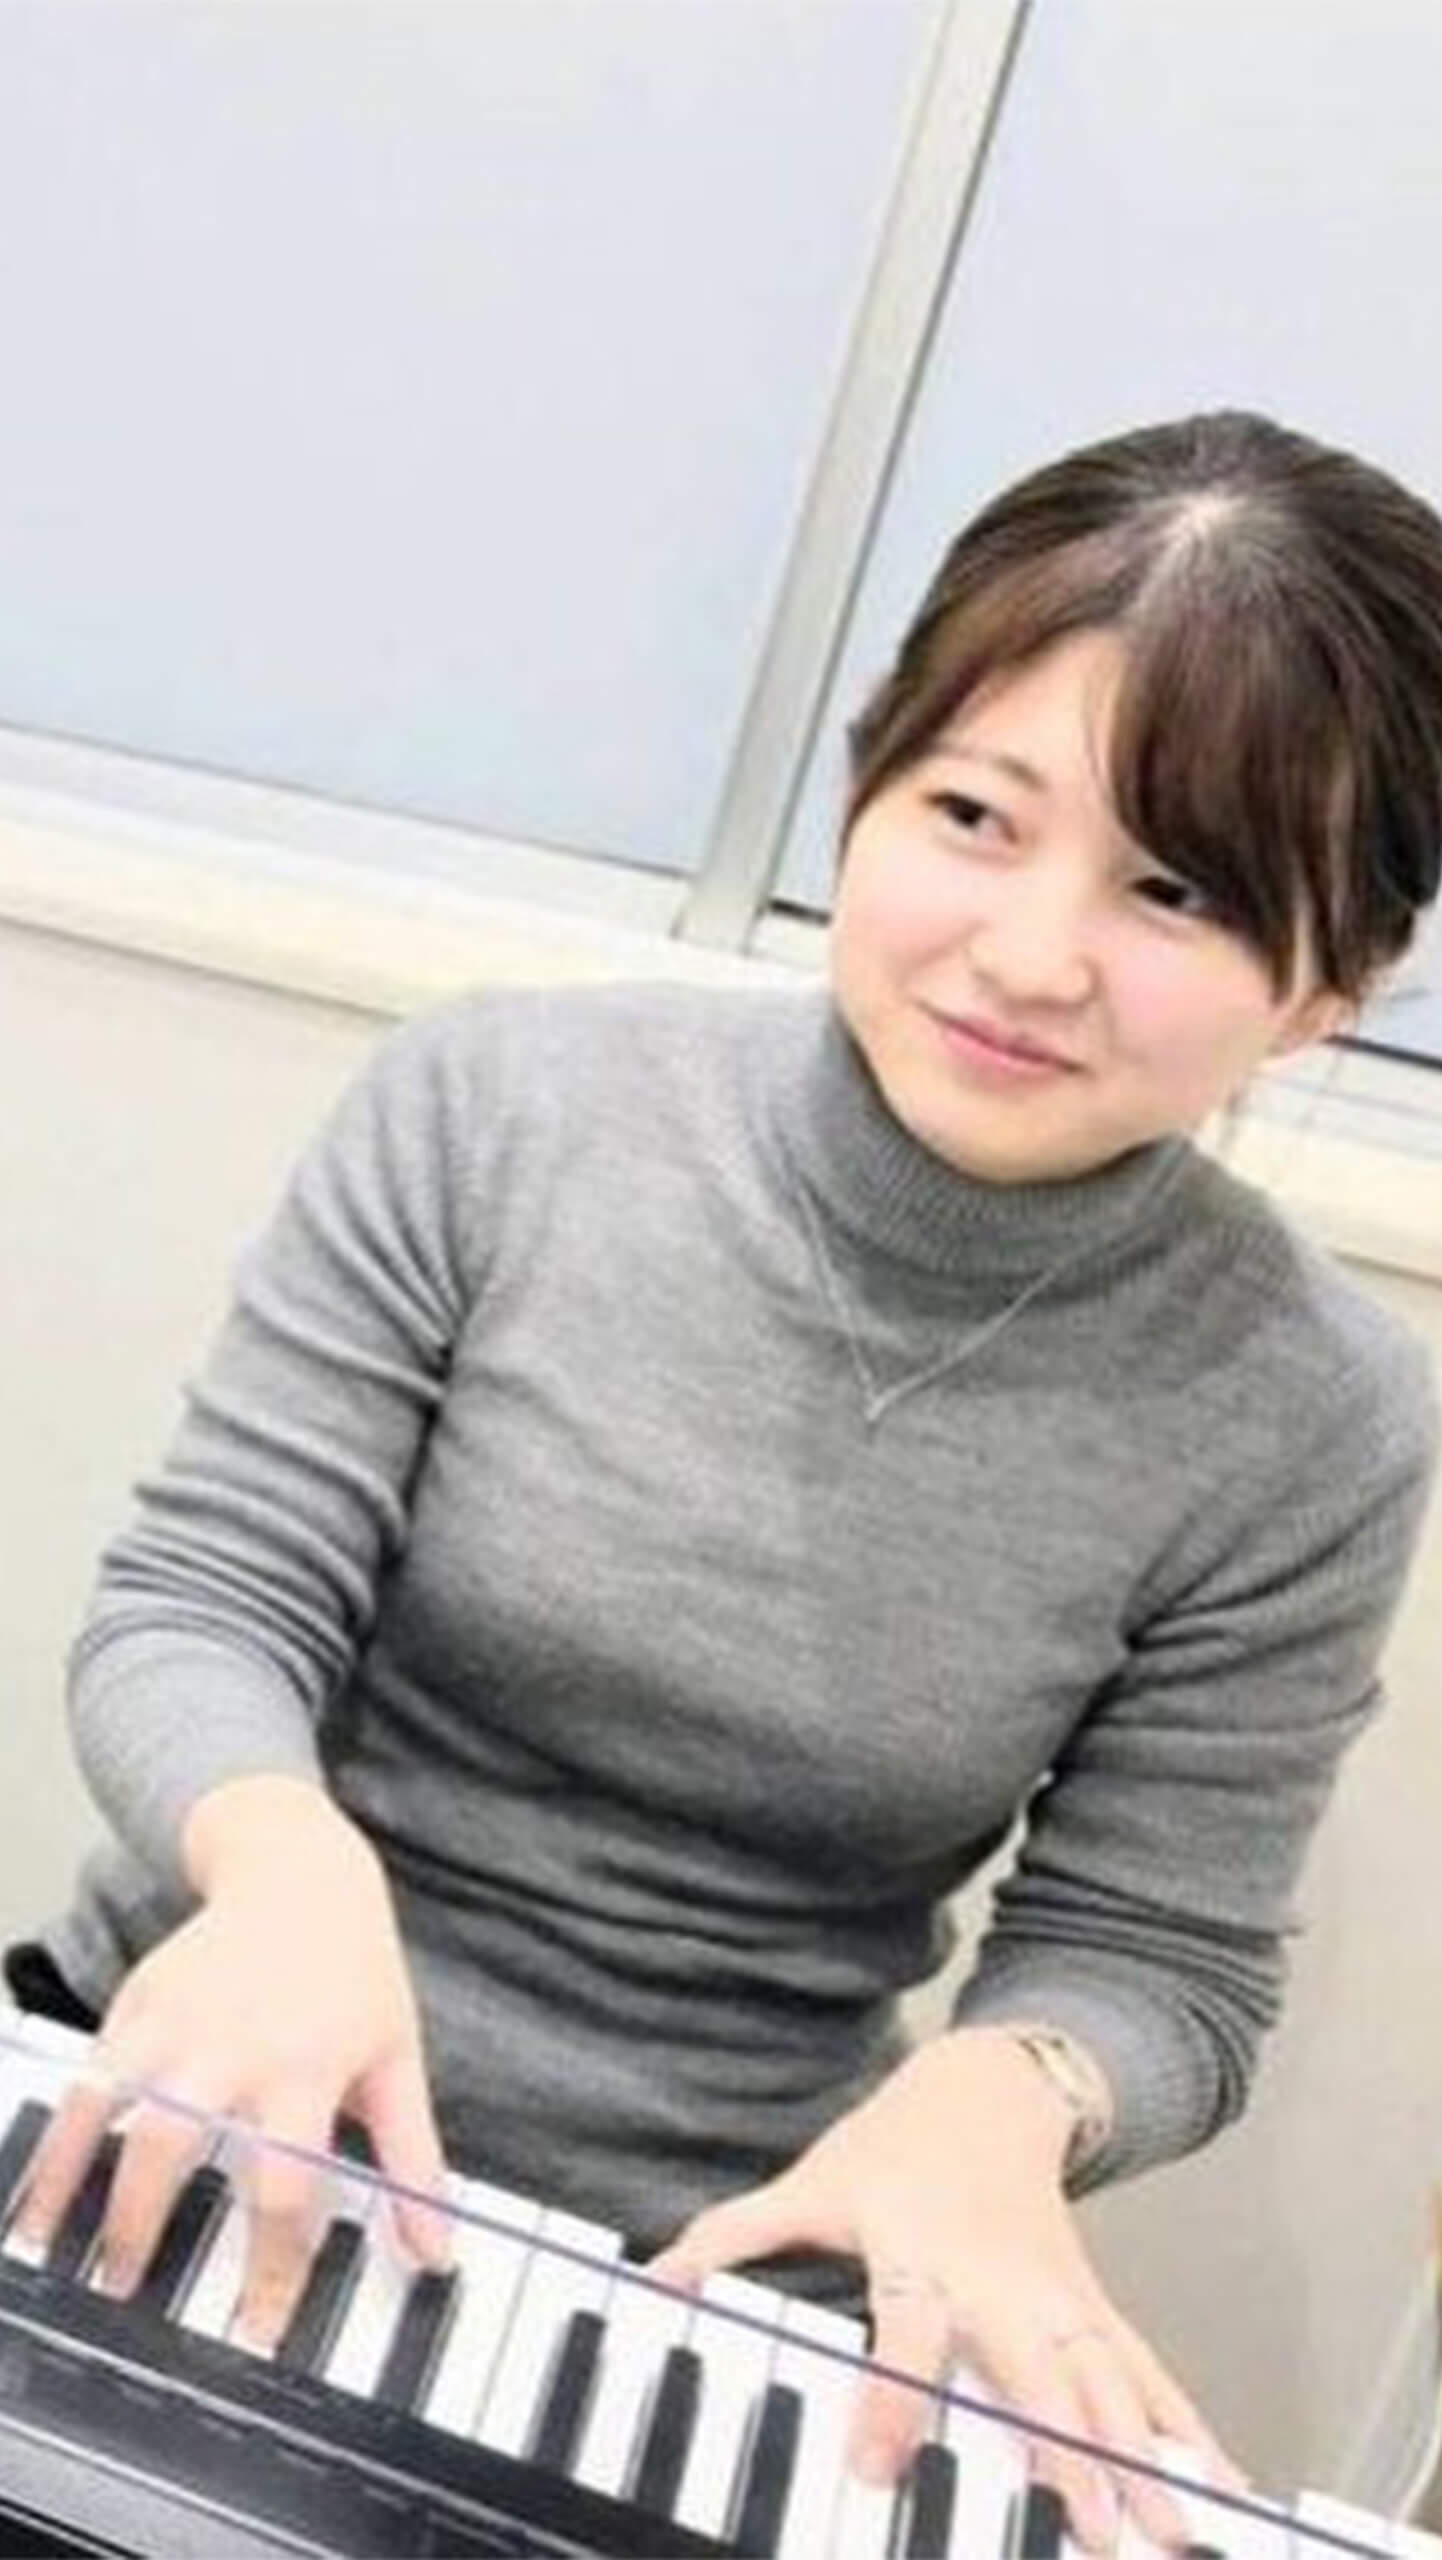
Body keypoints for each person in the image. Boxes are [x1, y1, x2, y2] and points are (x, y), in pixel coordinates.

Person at [10, 408, 1442, 2549]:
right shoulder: (499, 1107)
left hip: (692, 2271)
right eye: (974, 815)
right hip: (189, 2082)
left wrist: (1001, 2097)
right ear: (866, 776)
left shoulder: (1311, 1409)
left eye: (1173, 888)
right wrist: (284, 1867)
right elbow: (206, 1598)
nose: (1028, 952)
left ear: (1328, 985)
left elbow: (1160, 1951)